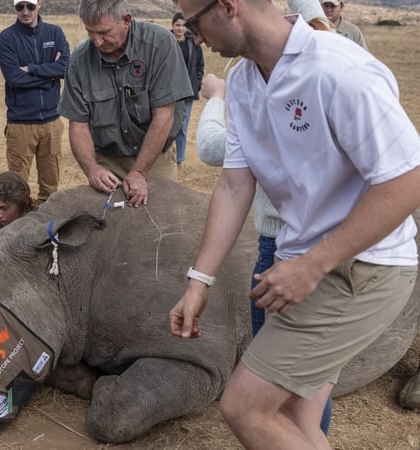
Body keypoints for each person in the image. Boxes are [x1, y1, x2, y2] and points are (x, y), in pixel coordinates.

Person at [169, 0, 420, 448]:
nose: (195, 36)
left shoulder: (338, 71)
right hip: (303, 264)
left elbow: (407, 180)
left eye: (193, 21)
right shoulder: (245, 82)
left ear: (228, 7)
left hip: (361, 267)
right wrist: (199, 279)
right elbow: (233, 186)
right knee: (292, 418)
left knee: (244, 405)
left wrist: (312, 266)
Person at [196, 73, 334, 435]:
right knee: (309, 373)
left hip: (282, 246)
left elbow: (212, 147)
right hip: (319, 243)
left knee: (281, 371)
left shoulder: (274, 113)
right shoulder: (319, 101)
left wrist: (217, 96)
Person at [59, 0, 194, 209]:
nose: (97, 42)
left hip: (154, 157)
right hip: (107, 160)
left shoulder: (160, 44)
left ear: (126, 21)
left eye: (103, 32)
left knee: (162, 222)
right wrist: (92, 169)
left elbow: (165, 114)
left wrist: (139, 172)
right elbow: (78, 125)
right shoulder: (79, 60)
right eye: (90, 33)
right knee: (106, 227)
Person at [0, 0, 69, 207]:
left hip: (52, 122)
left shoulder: (55, 33)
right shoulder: (7, 38)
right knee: (16, 187)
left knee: (51, 186)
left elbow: (65, 68)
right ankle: (15, 229)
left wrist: (31, 69)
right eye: (20, 7)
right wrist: (50, 73)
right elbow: (14, 79)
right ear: (14, 8)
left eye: (30, 6)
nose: (25, 12)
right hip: (21, 124)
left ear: (40, 4)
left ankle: (47, 230)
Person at [171, 12, 204, 167]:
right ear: (172, 26)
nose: (180, 28)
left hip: (187, 92)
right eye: (177, 25)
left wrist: (196, 84)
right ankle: (166, 158)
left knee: (182, 127)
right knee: (166, 125)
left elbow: (199, 66)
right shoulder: (166, 41)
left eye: (183, 25)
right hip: (168, 91)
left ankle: (180, 159)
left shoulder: (193, 44)